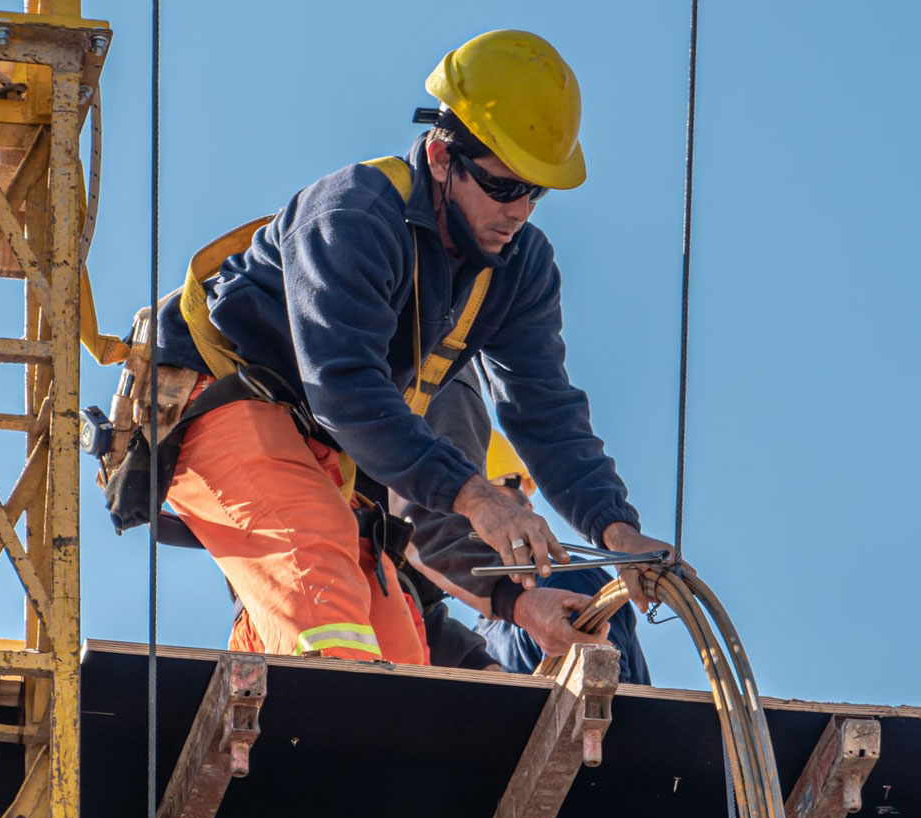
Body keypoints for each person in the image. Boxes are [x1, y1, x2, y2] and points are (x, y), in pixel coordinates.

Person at [156, 29, 671, 662]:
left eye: (536, 191)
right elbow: (345, 388)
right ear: (440, 158)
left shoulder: (519, 269)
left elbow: (547, 417)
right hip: (221, 396)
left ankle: (283, 734)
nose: (520, 211)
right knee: (320, 579)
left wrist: (611, 529)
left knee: (399, 650)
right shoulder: (355, 214)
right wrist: (479, 496)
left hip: (324, 449)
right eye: (504, 187)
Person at [383, 367, 650, 684]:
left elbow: (612, 695)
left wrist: (619, 532)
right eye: (511, 491)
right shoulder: (491, 625)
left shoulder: (566, 585)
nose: (527, 507)